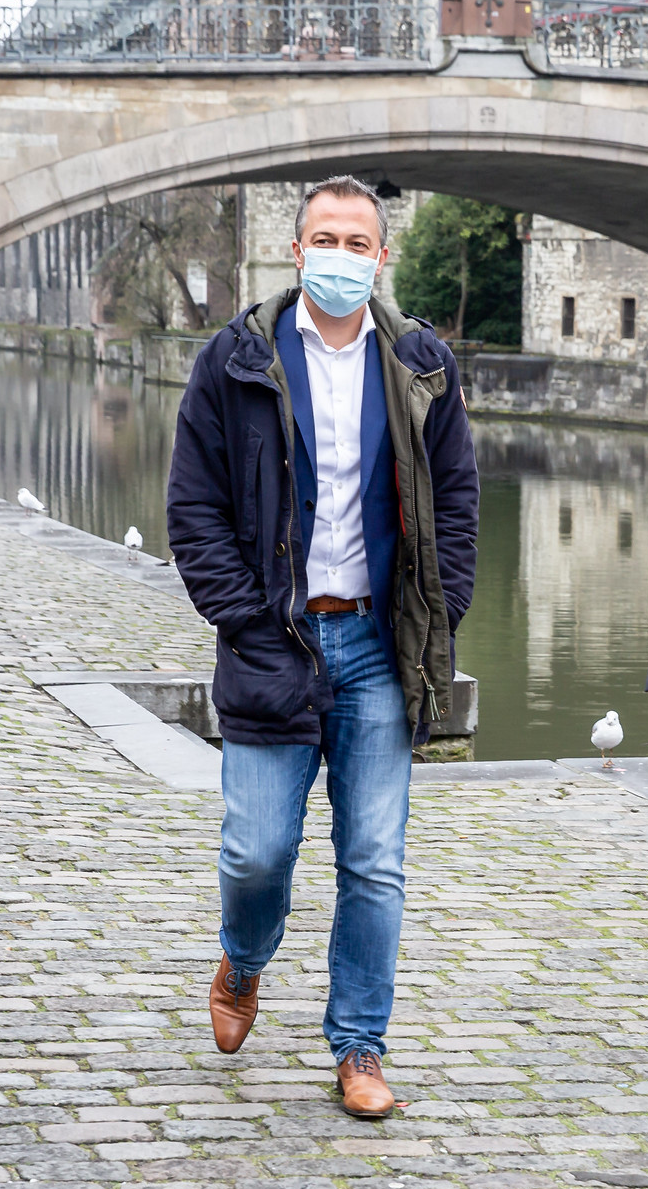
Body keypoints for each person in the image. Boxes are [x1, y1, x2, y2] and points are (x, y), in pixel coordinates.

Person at [166, 174, 479, 1120]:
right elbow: (194, 509)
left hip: (383, 645)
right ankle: (244, 958)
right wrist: (250, 621)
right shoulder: (237, 359)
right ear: (296, 252)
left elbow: (457, 501)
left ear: (380, 257)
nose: (341, 254)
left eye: (358, 240)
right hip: (277, 641)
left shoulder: (423, 363)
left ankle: (359, 1044)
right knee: (258, 853)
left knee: (374, 858)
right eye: (324, 238)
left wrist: (439, 610)